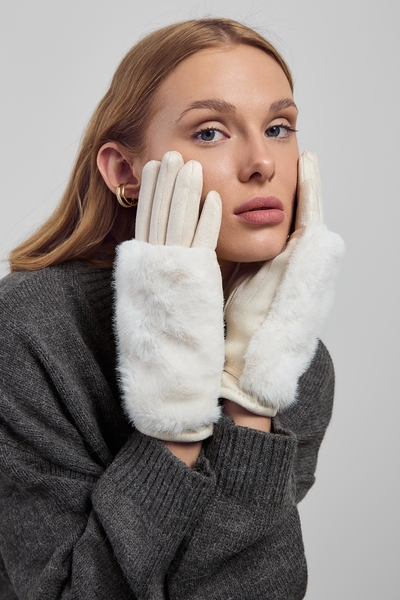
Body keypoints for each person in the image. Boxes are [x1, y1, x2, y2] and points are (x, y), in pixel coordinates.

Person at [0, 18, 345, 600]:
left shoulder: (296, 362)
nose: (262, 162)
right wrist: (172, 417)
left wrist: (251, 398)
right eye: (210, 132)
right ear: (126, 173)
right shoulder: (30, 328)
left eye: (278, 128)